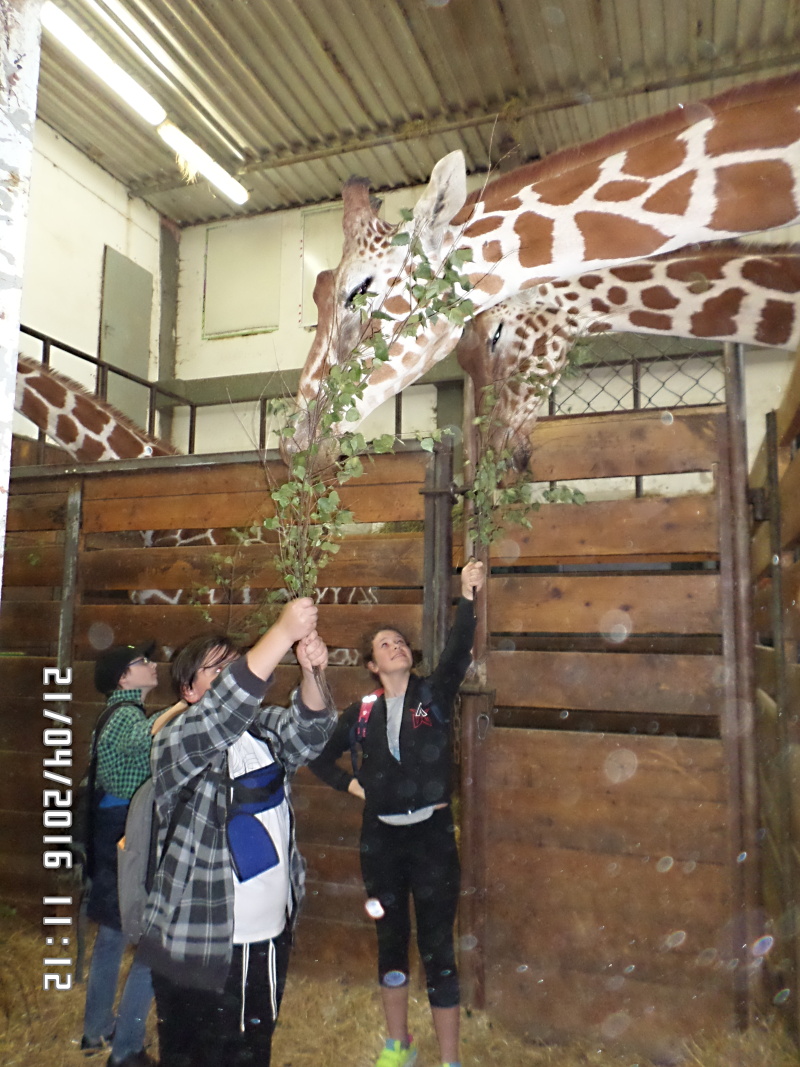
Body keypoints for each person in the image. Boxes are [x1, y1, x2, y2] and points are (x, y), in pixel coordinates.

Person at [136, 597, 335, 1067]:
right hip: (196, 944)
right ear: (189, 690)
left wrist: (312, 672)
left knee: (251, 1054)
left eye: (234, 665)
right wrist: (281, 633)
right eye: (217, 670)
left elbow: (312, 732)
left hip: (267, 939)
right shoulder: (175, 740)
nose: (230, 677)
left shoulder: (263, 731)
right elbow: (222, 712)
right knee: (193, 1057)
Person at [308, 560, 485, 1067]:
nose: (397, 647)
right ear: (371, 664)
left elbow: (458, 652)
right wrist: (354, 786)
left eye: (401, 642)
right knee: (390, 940)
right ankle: (398, 1045)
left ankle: (449, 1059)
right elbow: (319, 758)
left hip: (432, 839)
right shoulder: (361, 713)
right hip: (380, 842)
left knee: (437, 947)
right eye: (386, 644)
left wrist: (468, 595)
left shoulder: (431, 697)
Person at [81, 641, 160, 1067]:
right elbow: (142, 739)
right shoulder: (128, 714)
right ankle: (122, 1041)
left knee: (112, 932)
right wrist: (183, 709)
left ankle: (96, 1029)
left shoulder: (116, 712)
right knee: (139, 933)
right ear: (124, 678)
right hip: (126, 830)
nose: (152, 665)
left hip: (113, 828)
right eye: (142, 661)